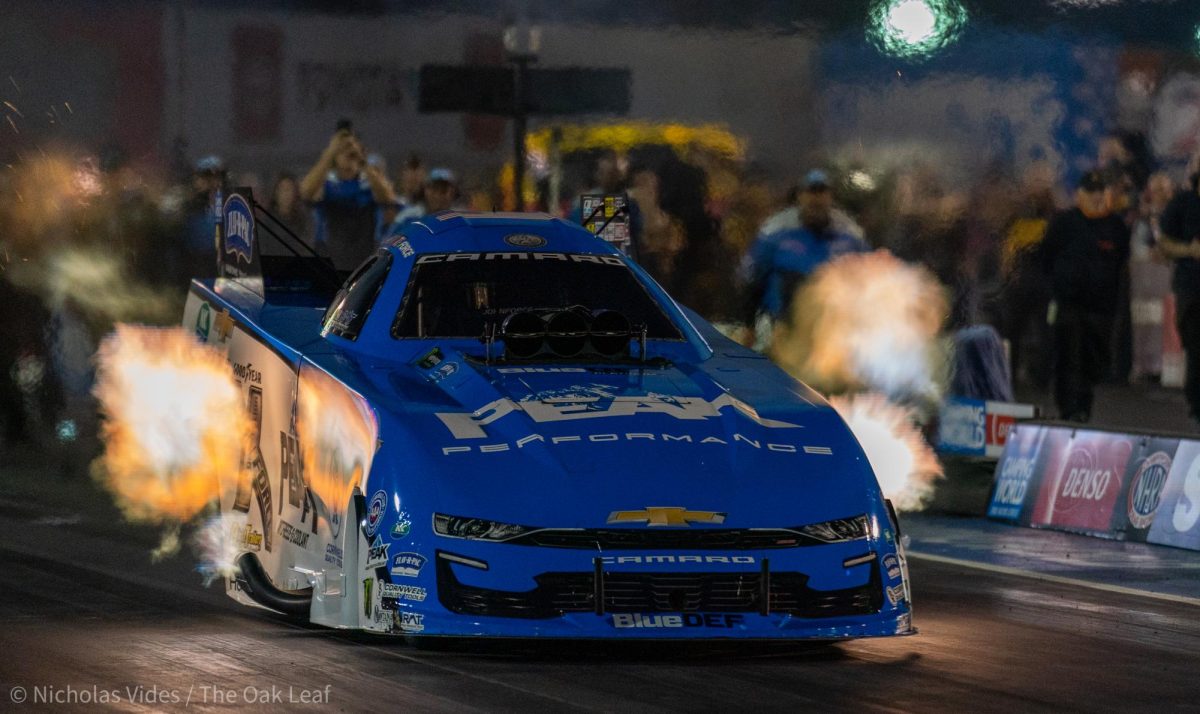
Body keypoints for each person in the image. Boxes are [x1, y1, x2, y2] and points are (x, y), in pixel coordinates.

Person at [735, 169, 870, 349]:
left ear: (830, 196)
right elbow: (752, 278)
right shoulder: (776, 232)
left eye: (822, 192)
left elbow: (867, 281)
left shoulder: (849, 235)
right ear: (800, 196)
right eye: (811, 192)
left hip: (833, 332)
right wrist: (748, 326)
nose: (816, 199)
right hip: (783, 327)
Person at [1039, 170, 1130, 422]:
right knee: (1068, 356)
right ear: (1079, 195)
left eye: (1101, 193)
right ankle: (1070, 409)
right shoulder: (1064, 223)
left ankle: (1083, 405)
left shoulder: (1116, 227)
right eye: (1091, 193)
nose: (1097, 198)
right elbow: (1046, 258)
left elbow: (1122, 259)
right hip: (1069, 304)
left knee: (1093, 360)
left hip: (1101, 307)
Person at [299, 127, 395, 273]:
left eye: (350, 150)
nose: (347, 154)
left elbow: (389, 199)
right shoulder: (327, 183)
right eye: (342, 151)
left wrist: (363, 161)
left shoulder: (368, 183)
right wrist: (330, 152)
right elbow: (305, 193)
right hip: (331, 259)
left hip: (364, 260)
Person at [1156, 172, 1200, 424]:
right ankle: (1196, 408)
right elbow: (1163, 243)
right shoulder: (1182, 204)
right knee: (1195, 350)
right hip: (1191, 288)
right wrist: (1189, 250)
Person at [389, 168, 458, 233]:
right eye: (434, 190)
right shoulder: (408, 217)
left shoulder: (459, 221)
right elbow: (389, 242)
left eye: (443, 191)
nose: (437, 196)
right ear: (425, 191)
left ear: (452, 193)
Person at [267, 172, 314, 250]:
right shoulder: (267, 221)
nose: (285, 194)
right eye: (282, 189)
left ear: (295, 193)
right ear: (275, 193)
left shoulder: (304, 221)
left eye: (289, 189)